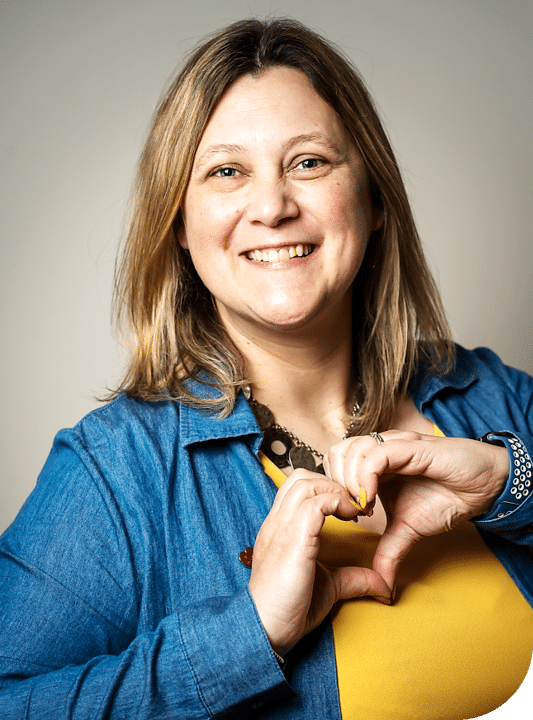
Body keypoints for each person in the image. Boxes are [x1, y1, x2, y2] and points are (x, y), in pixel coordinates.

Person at [0, 17, 532, 720]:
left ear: (373, 200)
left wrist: (511, 482)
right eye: (226, 172)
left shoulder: (493, 394)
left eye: (308, 162)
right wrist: (247, 636)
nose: (274, 207)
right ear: (180, 228)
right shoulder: (114, 470)